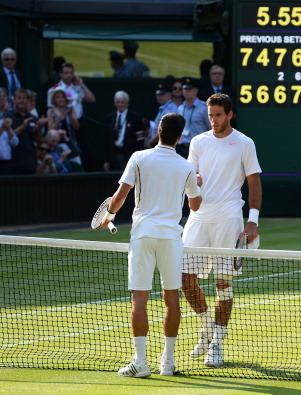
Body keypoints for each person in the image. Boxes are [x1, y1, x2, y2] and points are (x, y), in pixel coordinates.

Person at [99, 112, 202, 378]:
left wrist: (109, 215)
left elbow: (120, 196)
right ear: (180, 137)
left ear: (158, 131)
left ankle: (141, 362)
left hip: (143, 235)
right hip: (170, 238)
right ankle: (167, 363)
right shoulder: (186, 167)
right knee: (172, 298)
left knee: (140, 298)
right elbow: (195, 205)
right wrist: (193, 185)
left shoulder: (138, 158)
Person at [181, 93, 262, 368]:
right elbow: (190, 180)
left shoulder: (244, 143)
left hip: (229, 218)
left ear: (230, 115)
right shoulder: (198, 142)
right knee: (184, 278)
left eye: (218, 115)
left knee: (222, 283)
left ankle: (217, 344)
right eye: (210, 115)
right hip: (198, 218)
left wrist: (252, 221)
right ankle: (207, 328)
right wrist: (194, 179)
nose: (213, 120)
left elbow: (254, 184)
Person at [104, 91, 146, 171]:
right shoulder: (110, 118)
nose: (120, 105)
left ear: (127, 103)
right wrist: (106, 160)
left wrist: (139, 160)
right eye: (118, 102)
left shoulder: (135, 118)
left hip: (128, 155)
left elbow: (140, 140)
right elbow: (106, 140)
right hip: (113, 155)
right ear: (114, 103)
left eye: (122, 102)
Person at [7, 88, 46, 174]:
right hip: (13, 163)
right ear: (14, 100)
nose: (22, 101)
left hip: (30, 161)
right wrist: (23, 126)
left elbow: (39, 141)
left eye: (24, 98)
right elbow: (7, 138)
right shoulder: (8, 117)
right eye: (19, 98)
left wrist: (36, 131)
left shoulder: (33, 118)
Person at [46, 87, 83, 170]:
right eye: (58, 97)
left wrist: (71, 117)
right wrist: (58, 118)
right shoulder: (50, 111)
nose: (60, 99)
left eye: (62, 96)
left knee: (76, 166)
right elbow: (50, 130)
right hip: (57, 146)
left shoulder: (71, 109)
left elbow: (77, 127)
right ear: (54, 99)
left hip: (71, 143)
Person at [175, 77, 210, 158]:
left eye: (189, 89)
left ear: (196, 91)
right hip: (181, 147)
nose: (187, 91)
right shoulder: (180, 108)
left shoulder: (204, 108)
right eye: (185, 89)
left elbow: (210, 128)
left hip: (199, 148)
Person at [147, 83, 179, 148]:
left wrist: (151, 141)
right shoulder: (162, 108)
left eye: (162, 94)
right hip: (158, 144)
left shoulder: (170, 109)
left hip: (165, 145)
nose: (160, 97)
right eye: (158, 94)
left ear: (170, 95)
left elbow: (164, 130)